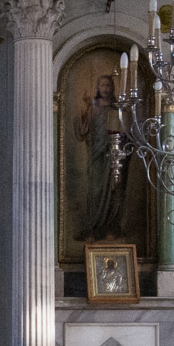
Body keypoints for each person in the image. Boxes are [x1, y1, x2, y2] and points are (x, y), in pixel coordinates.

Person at [77, 71, 125, 239]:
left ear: (112, 88)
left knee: (113, 191)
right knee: (95, 192)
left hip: (113, 155)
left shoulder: (117, 108)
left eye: (108, 85)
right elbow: (82, 132)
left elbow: (124, 131)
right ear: (97, 88)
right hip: (96, 156)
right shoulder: (92, 108)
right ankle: (93, 228)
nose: (105, 89)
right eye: (102, 85)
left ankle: (110, 228)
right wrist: (84, 113)